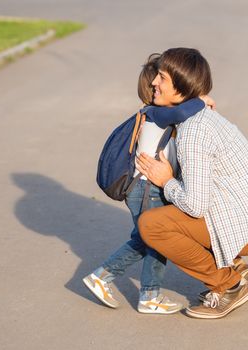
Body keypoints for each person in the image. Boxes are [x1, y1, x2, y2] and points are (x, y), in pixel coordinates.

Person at [136, 47, 248, 319]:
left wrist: (166, 180)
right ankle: (233, 266)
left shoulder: (193, 132)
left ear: (180, 87)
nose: (153, 82)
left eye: (161, 78)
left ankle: (229, 285)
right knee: (171, 213)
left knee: (152, 225)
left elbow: (195, 205)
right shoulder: (197, 115)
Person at [82, 53, 210, 314]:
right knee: (154, 239)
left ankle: (130, 288)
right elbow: (187, 109)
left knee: (148, 238)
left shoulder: (156, 115)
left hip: (146, 187)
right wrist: (201, 100)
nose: (157, 84)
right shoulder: (155, 114)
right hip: (147, 189)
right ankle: (116, 282)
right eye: (158, 79)